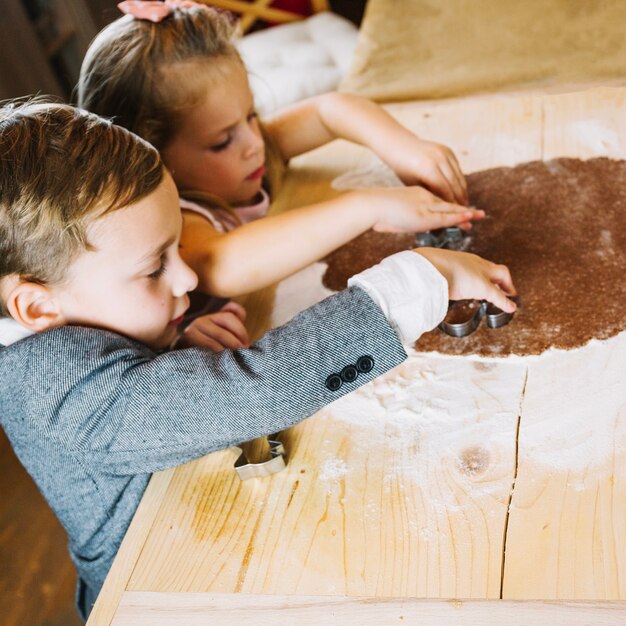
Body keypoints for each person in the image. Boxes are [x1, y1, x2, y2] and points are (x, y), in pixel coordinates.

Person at [0, 101, 515, 621]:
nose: (189, 280)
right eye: (155, 267)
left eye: (177, 248)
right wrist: (416, 280)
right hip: (152, 594)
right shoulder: (58, 393)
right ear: (37, 306)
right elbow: (256, 391)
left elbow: (129, 383)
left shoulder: (64, 312)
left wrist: (170, 355)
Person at [77, 0, 485, 345]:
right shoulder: (174, 221)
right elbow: (223, 264)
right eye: (222, 141)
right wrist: (368, 206)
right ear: (155, 161)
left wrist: (406, 148)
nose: (255, 141)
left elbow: (330, 110)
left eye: (251, 116)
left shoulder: (249, 147)